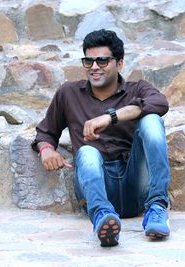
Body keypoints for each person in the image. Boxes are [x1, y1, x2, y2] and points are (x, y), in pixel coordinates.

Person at [32, 29, 171, 247]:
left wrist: (111, 117)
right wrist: (46, 149)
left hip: (134, 182)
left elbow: (161, 103)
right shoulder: (68, 93)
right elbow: (45, 132)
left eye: (103, 61)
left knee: (152, 121)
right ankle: (102, 219)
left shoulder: (138, 89)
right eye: (89, 61)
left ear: (120, 64)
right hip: (97, 188)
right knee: (87, 151)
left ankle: (157, 208)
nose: (94, 67)